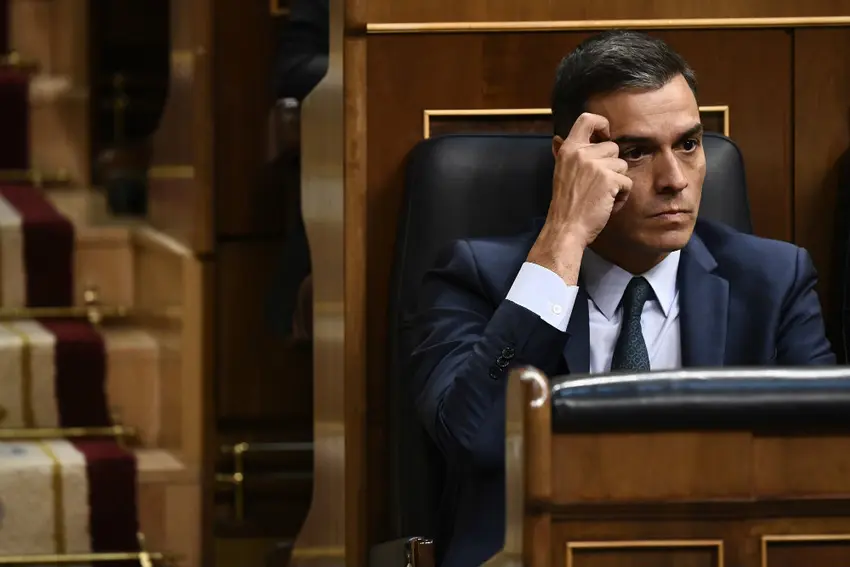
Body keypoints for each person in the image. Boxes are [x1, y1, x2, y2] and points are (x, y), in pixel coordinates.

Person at [409, 30, 835, 567]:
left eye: (688, 144)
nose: (674, 180)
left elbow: (823, 469)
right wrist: (564, 235)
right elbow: (477, 441)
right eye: (636, 152)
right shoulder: (479, 278)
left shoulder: (774, 282)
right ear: (571, 162)